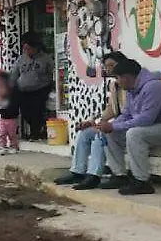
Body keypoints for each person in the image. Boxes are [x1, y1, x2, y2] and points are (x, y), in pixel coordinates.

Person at [98, 59, 161, 195]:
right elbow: (127, 115)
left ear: (127, 77)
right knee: (111, 133)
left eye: (118, 78)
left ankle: (141, 182)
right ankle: (119, 176)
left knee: (134, 134)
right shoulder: (131, 90)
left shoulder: (153, 87)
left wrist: (114, 126)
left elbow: (145, 119)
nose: (117, 81)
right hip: (154, 128)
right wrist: (111, 126)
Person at [56, 52, 132, 189]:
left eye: (112, 65)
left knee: (100, 134)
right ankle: (77, 171)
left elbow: (129, 114)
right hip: (118, 125)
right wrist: (93, 121)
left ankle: (94, 175)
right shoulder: (114, 85)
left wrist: (107, 125)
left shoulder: (130, 85)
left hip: (128, 127)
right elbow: (111, 109)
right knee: (84, 133)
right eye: (106, 66)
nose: (108, 69)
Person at [9, 32, 54, 140]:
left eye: (29, 49)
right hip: (23, 90)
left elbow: (52, 73)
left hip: (40, 89)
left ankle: (36, 133)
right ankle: (36, 130)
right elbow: (14, 74)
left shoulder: (46, 59)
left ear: (36, 47)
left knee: (36, 111)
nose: (27, 51)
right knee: (25, 113)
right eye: (24, 49)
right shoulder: (21, 59)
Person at [0, 71, 20, 154]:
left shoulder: (13, 90)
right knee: (2, 133)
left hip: (12, 116)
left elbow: (15, 103)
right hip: (2, 117)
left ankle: (14, 146)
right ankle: (2, 146)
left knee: (12, 133)